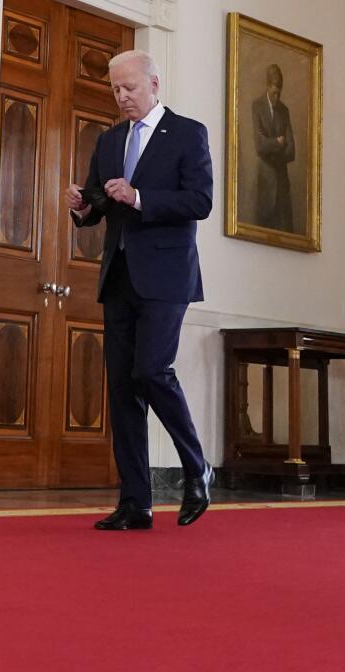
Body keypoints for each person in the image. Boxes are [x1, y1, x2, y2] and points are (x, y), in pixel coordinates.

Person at [66, 49, 214, 531]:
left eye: (129, 87)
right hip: (119, 276)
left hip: (167, 276)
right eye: (115, 89)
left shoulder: (188, 133)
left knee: (152, 370)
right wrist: (82, 208)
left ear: (154, 83)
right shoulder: (109, 140)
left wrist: (141, 196)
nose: (122, 96)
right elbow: (96, 202)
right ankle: (136, 502)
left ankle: (197, 467)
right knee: (123, 387)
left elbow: (201, 200)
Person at [251, 63, 296, 232]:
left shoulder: (284, 111)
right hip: (265, 183)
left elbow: (292, 151)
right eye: (274, 92)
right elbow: (259, 145)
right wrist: (278, 142)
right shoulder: (257, 106)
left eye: (279, 92)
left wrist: (271, 150)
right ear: (267, 86)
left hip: (282, 186)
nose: (277, 97)